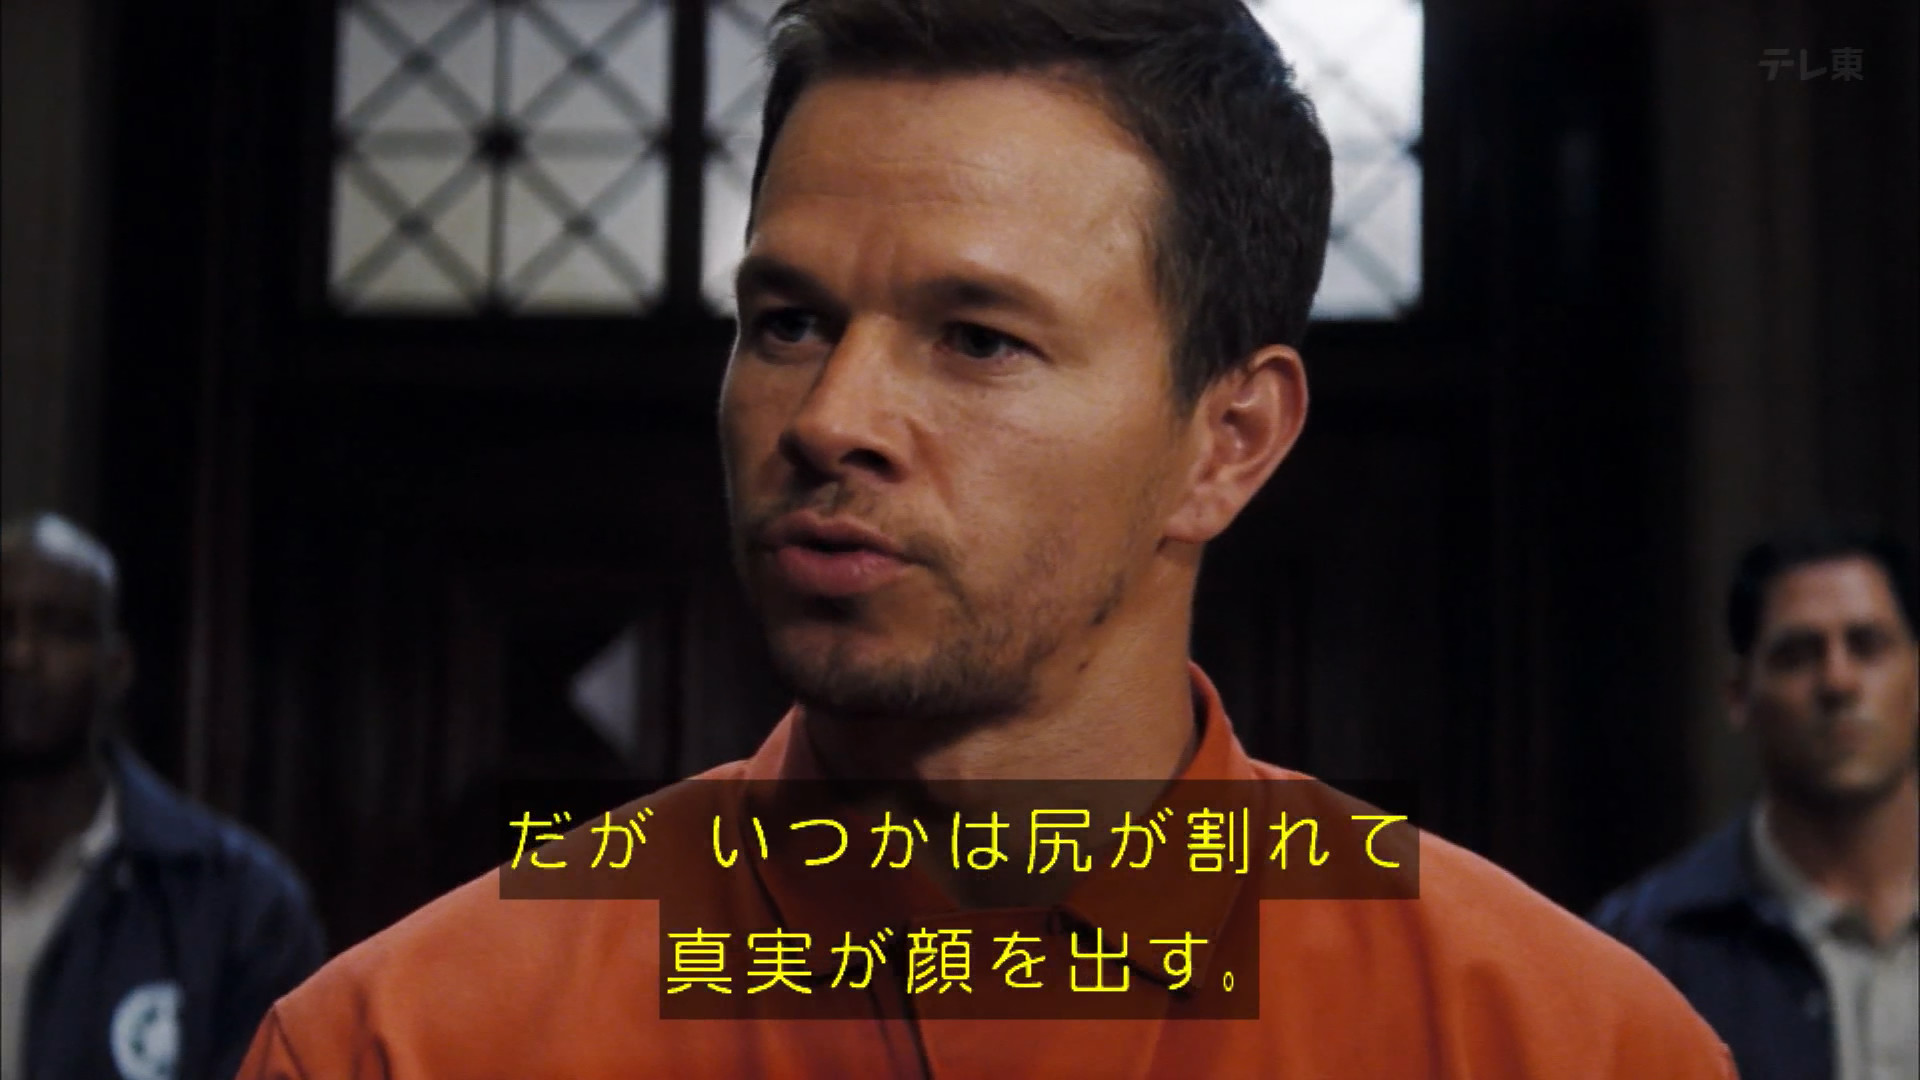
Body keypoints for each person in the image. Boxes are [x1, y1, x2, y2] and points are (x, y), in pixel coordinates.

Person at [237, 1, 1733, 1076]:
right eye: (789, 322)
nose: (831, 417)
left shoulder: (1556, 1043)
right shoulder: (409, 1040)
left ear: (1228, 441)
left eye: (977, 339)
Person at [1, 513, 326, 1080]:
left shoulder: (237, 902)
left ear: (115, 665)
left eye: (58, 627)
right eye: (1, 626)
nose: (20, 655)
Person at [1593, 528, 1918, 1080]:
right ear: (1739, 695)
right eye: (1797, 655)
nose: (1838, 681)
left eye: (1867, 646)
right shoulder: (1647, 943)